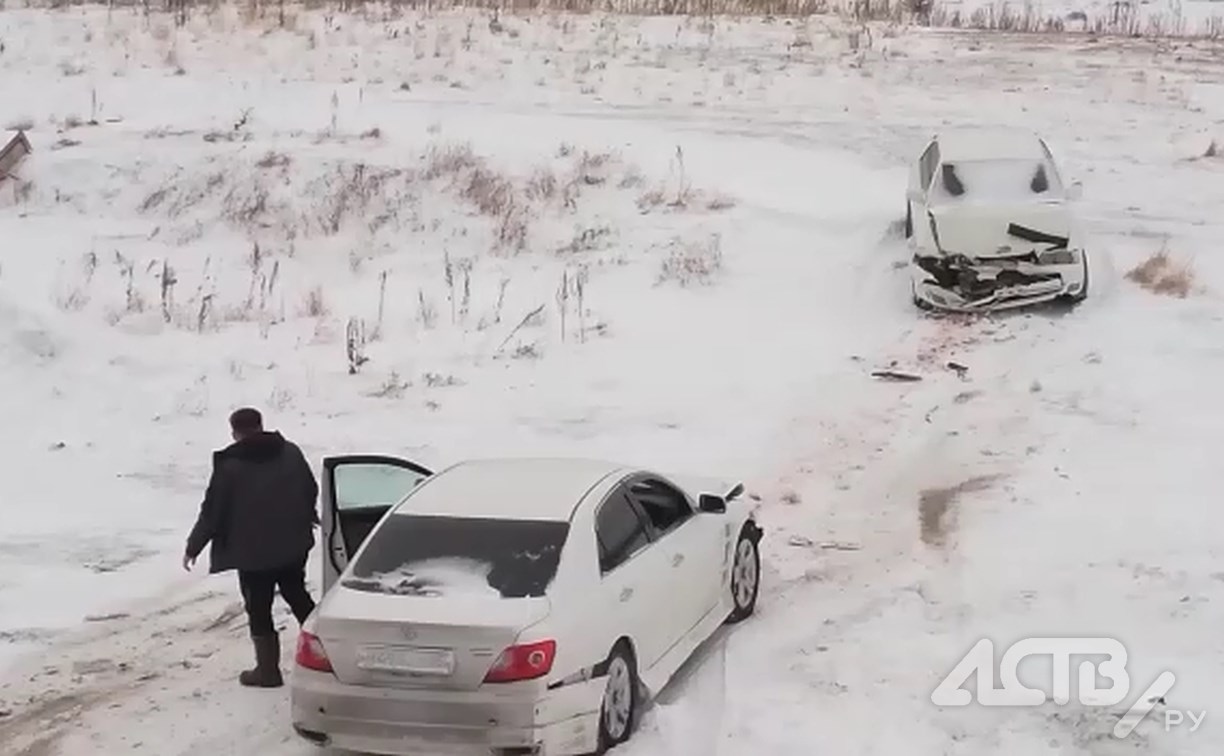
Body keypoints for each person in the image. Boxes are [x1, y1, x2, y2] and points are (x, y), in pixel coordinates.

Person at [183, 407, 320, 688]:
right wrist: (307, 515)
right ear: (261, 425)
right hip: (292, 545)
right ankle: (328, 653)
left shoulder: (230, 466)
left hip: (253, 555)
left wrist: (193, 546)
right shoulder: (290, 452)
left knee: (259, 608)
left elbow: (213, 512)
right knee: (298, 595)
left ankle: (268, 672)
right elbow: (310, 488)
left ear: (235, 432)